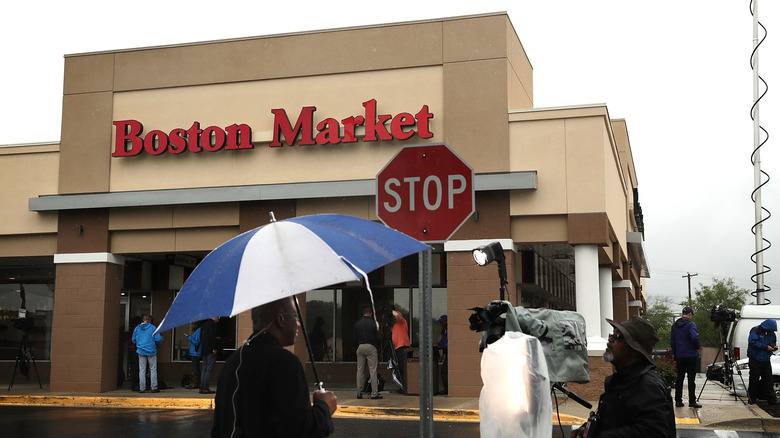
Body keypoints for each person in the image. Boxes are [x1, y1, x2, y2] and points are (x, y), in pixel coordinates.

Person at [212, 297, 337, 437]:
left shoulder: (233, 361)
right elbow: (299, 430)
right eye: (295, 316)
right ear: (281, 319)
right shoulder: (285, 363)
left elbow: (219, 427)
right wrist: (324, 408)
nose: (298, 324)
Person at [570, 316, 676, 438]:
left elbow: (653, 432)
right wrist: (587, 430)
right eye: (611, 334)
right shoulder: (621, 380)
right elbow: (612, 421)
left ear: (635, 350)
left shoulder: (648, 385)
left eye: (618, 337)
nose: (610, 339)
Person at [670, 306, 701, 408]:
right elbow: (694, 337)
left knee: (680, 378)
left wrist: (675, 354)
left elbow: (672, 342)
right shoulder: (691, 325)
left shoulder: (674, 326)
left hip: (679, 355)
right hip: (691, 354)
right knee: (691, 379)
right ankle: (692, 401)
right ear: (690, 314)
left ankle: (678, 400)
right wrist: (697, 347)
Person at [747, 318, 779, 404]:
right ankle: (751, 398)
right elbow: (752, 342)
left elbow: (773, 342)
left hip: (766, 359)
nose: (772, 331)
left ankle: (772, 399)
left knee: (768, 380)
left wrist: (773, 347)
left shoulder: (771, 333)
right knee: (754, 379)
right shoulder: (756, 330)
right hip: (755, 359)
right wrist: (765, 347)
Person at [353, 306, 382, 400]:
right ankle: (374, 393)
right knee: (372, 370)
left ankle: (359, 392)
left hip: (360, 347)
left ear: (363, 314)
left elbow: (354, 338)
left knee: (360, 370)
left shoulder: (357, 324)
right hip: (371, 347)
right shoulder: (374, 323)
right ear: (371, 313)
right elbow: (379, 338)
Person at [131, 314, 163, 394]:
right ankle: (154, 387)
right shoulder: (153, 328)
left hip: (141, 350)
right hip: (151, 350)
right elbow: (158, 339)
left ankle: (142, 388)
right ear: (149, 320)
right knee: (153, 369)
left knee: (142, 370)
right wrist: (160, 343)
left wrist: (139, 343)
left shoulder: (137, 328)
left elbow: (133, 340)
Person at [199, 316, 221, 394]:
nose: (219, 318)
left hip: (204, 348)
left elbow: (202, 337)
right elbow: (212, 337)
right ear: (214, 317)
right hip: (211, 349)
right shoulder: (213, 325)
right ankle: (205, 387)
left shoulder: (204, 325)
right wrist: (214, 347)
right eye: (218, 317)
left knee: (204, 368)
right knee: (209, 368)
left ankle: (201, 387)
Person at [391, 307, 410, 392]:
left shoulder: (402, 321)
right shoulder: (396, 324)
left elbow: (397, 315)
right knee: (400, 368)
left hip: (403, 347)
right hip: (398, 347)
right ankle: (403, 385)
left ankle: (406, 387)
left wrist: (388, 310)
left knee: (403, 368)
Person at [184, 322, 202, 389]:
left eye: (192, 324)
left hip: (195, 352)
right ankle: (195, 383)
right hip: (196, 352)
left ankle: (195, 384)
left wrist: (189, 337)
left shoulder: (198, 331)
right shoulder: (199, 331)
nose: (191, 326)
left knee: (195, 368)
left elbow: (196, 342)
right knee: (195, 368)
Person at [434, 314, 448, 395]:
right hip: (446, 352)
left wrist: (443, 346)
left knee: (444, 371)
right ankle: (446, 388)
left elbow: (447, 342)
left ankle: (447, 389)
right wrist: (438, 345)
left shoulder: (449, 329)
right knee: (444, 371)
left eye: (442, 322)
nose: (441, 324)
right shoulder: (444, 330)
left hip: (449, 353)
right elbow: (443, 341)